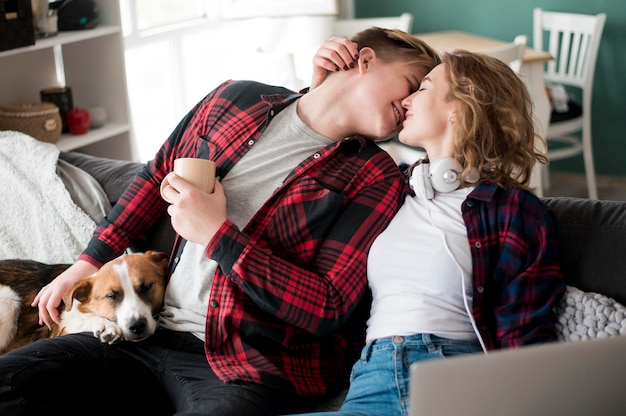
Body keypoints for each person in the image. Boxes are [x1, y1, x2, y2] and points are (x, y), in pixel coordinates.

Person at [0, 29, 441, 416]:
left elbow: (325, 306)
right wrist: (85, 264)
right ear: (364, 60)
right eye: (412, 84)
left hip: (243, 364)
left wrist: (217, 235)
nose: (413, 101)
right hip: (143, 336)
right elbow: (154, 177)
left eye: (423, 95)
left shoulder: (375, 178)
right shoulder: (236, 98)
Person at [289, 48, 566, 416]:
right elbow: (310, 169)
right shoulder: (394, 190)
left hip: (446, 377)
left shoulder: (515, 213)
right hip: (368, 378)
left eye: (424, 87)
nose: (406, 99)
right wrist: (323, 85)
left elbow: (525, 333)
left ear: (460, 107)